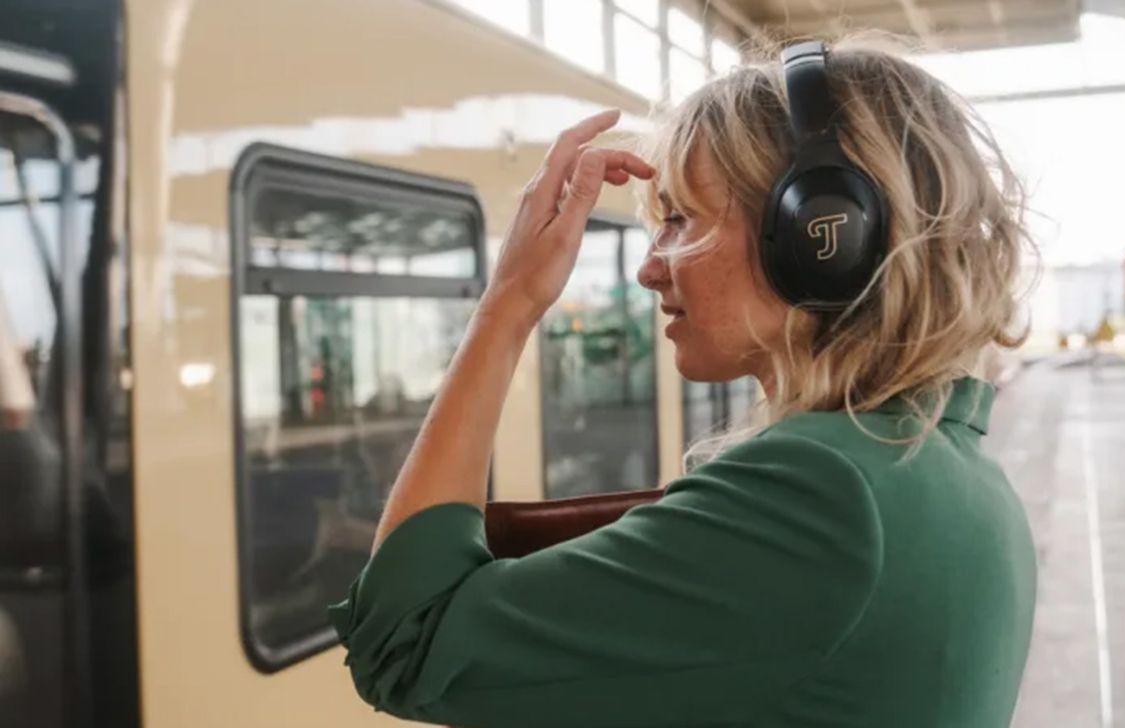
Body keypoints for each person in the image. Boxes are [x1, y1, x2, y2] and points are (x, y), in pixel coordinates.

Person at [329, 34, 1036, 727]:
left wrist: (509, 301)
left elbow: (403, 641)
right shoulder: (954, 470)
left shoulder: (820, 492)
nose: (648, 266)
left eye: (679, 220)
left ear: (822, 235)